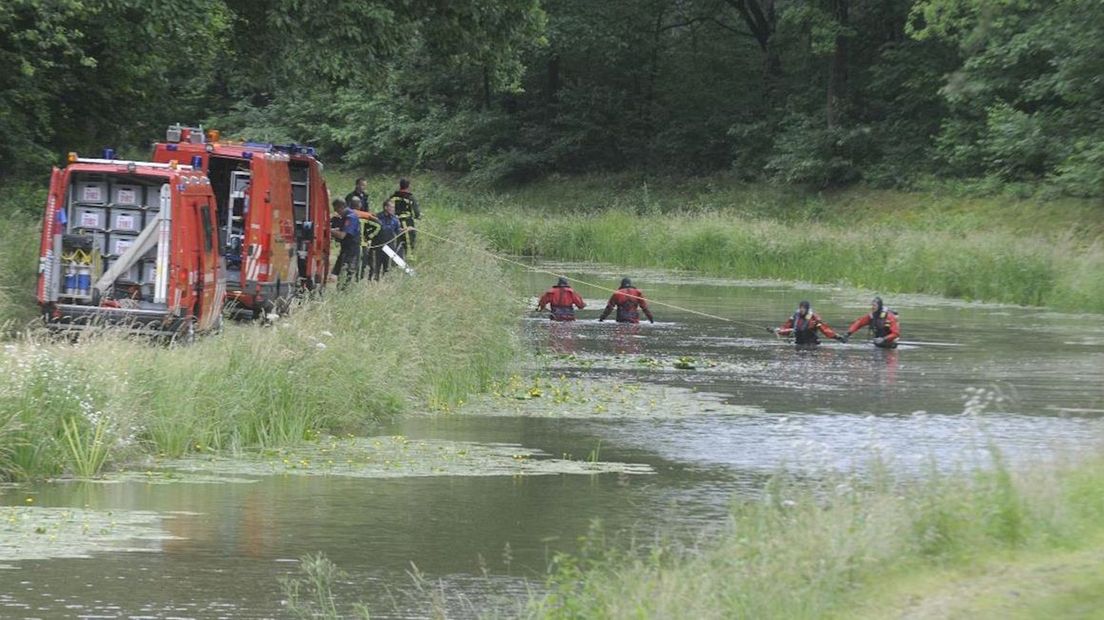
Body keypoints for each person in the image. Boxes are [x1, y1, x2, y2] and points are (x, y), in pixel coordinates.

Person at [770, 300, 844, 346]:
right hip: (798, 343)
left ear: (807, 309)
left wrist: (837, 337)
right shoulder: (795, 317)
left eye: (804, 308)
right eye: (801, 308)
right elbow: (786, 329)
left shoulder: (814, 318)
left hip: (812, 344)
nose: (802, 310)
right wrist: (775, 330)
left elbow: (825, 330)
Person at [370, 199, 404, 280]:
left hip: (389, 246)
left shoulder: (395, 219)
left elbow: (397, 231)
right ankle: (374, 282)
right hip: (377, 245)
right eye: (391, 207)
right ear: (385, 207)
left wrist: (405, 230)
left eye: (393, 207)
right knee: (376, 266)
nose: (393, 209)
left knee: (387, 267)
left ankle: (385, 283)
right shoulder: (377, 217)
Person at [348, 196, 381, 281]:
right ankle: (358, 280)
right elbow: (378, 224)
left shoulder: (347, 214)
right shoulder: (365, 216)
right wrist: (369, 236)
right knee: (361, 263)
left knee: (349, 262)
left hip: (349, 244)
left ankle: (349, 280)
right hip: (362, 244)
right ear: (359, 205)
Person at [329, 198, 360, 286]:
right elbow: (341, 229)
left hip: (351, 250)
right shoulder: (345, 216)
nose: (336, 212)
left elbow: (342, 235)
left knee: (346, 273)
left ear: (341, 207)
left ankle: (344, 291)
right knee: (339, 271)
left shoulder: (350, 217)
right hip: (346, 249)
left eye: (336, 209)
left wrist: (329, 230)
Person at [390, 178, 421, 253]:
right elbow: (416, 212)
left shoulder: (393, 197)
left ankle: (395, 259)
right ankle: (409, 258)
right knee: (408, 240)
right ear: (408, 186)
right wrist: (418, 216)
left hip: (393, 221)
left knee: (396, 240)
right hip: (406, 222)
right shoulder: (410, 197)